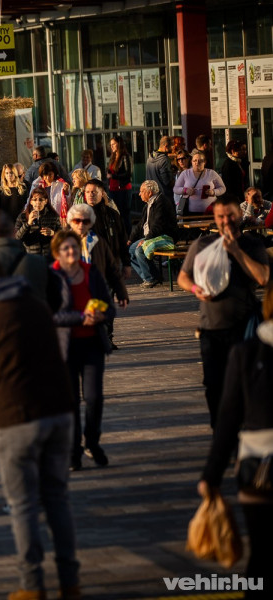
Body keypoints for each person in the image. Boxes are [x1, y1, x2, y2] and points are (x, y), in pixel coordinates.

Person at [0, 255, 80, 600]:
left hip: (18, 417)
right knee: (57, 498)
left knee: (24, 505)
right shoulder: (37, 307)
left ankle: (32, 585)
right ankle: (69, 581)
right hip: (60, 410)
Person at [199, 281, 273, 599]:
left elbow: (228, 421)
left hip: (257, 468)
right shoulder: (246, 353)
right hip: (259, 467)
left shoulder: (247, 353)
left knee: (261, 556)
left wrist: (211, 476)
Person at [178, 195, 269, 428]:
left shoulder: (252, 244)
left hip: (244, 326)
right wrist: (197, 289)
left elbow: (263, 278)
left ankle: (241, 430)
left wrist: (236, 251)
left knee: (243, 383)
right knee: (213, 384)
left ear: (239, 215)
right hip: (211, 328)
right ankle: (220, 429)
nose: (226, 220)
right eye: (220, 216)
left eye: (230, 215)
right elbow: (183, 277)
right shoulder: (203, 244)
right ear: (214, 218)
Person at [50, 231, 115, 471]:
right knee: (70, 402)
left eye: (74, 248)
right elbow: (51, 314)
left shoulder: (91, 273)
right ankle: (73, 451)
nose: (71, 252)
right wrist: (80, 317)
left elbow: (109, 307)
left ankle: (93, 442)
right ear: (58, 252)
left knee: (94, 398)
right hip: (65, 348)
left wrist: (101, 315)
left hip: (92, 345)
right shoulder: (52, 277)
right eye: (66, 248)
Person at [127, 180, 178, 288]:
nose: (139, 194)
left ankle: (151, 278)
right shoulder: (148, 204)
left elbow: (158, 226)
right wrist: (131, 239)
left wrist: (146, 240)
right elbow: (141, 224)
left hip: (164, 237)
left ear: (149, 193)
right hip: (151, 237)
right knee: (130, 250)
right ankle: (152, 276)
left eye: (142, 191)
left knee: (139, 250)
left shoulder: (161, 202)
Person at [83, 179, 129, 275]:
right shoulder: (79, 215)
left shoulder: (112, 214)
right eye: (87, 192)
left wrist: (126, 263)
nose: (90, 194)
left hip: (111, 261)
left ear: (102, 193)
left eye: (94, 192)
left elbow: (122, 239)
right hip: (87, 263)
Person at [174, 150, 225, 215]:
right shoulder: (184, 174)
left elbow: (223, 188)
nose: (197, 163)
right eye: (195, 160)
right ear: (191, 162)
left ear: (204, 162)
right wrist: (185, 190)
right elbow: (176, 189)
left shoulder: (211, 173)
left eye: (200, 160)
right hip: (191, 212)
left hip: (210, 211)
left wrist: (214, 192)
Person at [15, 188, 61, 258]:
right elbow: (17, 238)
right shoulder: (23, 217)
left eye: (41, 200)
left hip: (49, 257)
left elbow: (63, 236)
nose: (38, 202)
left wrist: (53, 233)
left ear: (46, 201)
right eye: (35, 200)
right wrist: (28, 224)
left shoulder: (53, 216)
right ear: (31, 202)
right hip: (30, 256)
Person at [106, 136, 133, 229]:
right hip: (113, 189)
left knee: (124, 215)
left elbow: (128, 173)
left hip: (123, 188)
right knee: (114, 214)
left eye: (113, 144)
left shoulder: (125, 157)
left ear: (119, 144)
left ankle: (128, 237)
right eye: (111, 145)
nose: (111, 146)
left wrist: (113, 176)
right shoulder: (113, 157)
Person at [146, 136, 176, 203]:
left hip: (151, 196)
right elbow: (168, 182)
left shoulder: (149, 158)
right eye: (172, 146)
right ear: (166, 146)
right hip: (164, 198)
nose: (173, 148)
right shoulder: (164, 160)